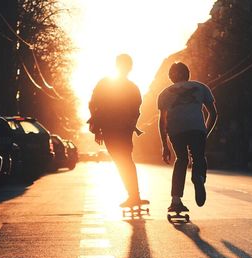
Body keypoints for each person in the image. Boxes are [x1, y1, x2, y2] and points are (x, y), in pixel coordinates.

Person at [88, 54, 147, 207]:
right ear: (130, 67)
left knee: (123, 160)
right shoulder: (131, 87)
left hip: (113, 129)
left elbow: (94, 105)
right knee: (125, 159)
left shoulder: (105, 84)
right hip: (119, 129)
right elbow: (136, 111)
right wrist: (98, 128)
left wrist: (97, 129)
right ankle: (134, 195)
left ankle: (133, 195)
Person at [157, 62, 218, 211]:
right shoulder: (201, 87)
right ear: (188, 73)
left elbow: (162, 121)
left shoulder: (164, 93)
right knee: (199, 156)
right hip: (197, 128)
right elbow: (214, 113)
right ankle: (199, 178)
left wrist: (164, 145)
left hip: (176, 129)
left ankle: (176, 201)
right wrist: (205, 132)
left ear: (171, 77)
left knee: (181, 159)